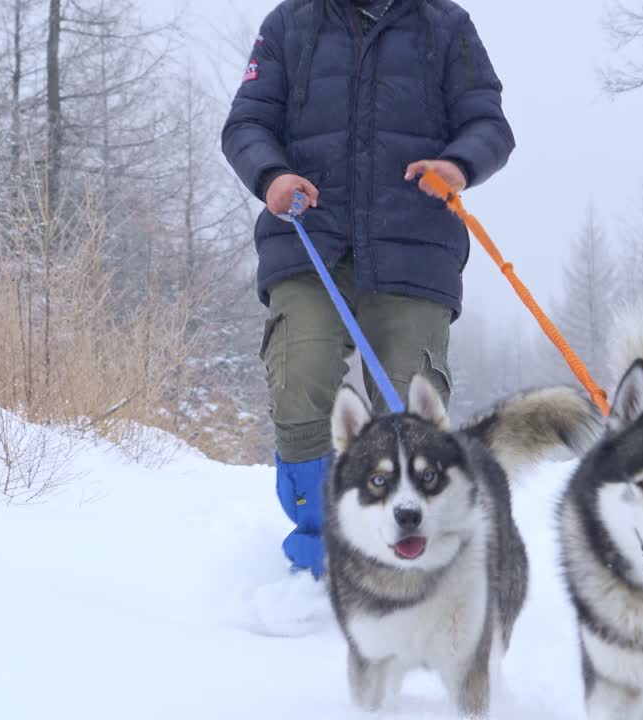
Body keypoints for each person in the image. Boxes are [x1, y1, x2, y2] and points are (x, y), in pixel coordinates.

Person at [220, 0, 514, 621]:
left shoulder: (446, 25)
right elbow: (247, 123)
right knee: (300, 377)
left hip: (414, 251)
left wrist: (457, 165)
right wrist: (271, 176)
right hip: (308, 242)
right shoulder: (289, 24)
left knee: (411, 404)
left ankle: (409, 561)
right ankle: (322, 554)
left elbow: (488, 124)